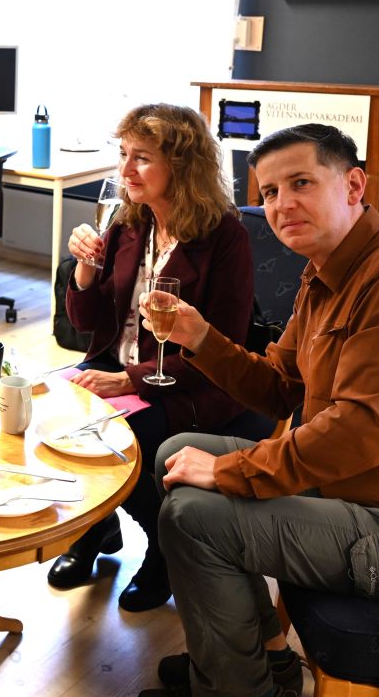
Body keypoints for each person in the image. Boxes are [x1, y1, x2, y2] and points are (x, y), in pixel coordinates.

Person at [129, 123, 379, 697]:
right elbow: (279, 387)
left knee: (195, 514)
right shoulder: (325, 271)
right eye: (269, 192)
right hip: (355, 494)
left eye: (300, 183)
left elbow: (359, 434)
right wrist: (200, 337)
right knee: (172, 452)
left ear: (353, 185)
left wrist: (229, 473)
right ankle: (258, 661)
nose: (280, 205)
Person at [49, 103, 253, 612]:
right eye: (123, 155)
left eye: (142, 158)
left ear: (182, 167)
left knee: (127, 446)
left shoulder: (225, 237)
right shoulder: (129, 221)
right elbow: (86, 322)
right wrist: (84, 271)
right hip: (118, 366)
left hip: (187, 386)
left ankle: (161, 552)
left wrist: (131, 382)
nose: (124, 171)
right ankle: (94, 531)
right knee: (49, 416)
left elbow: (223, 347)